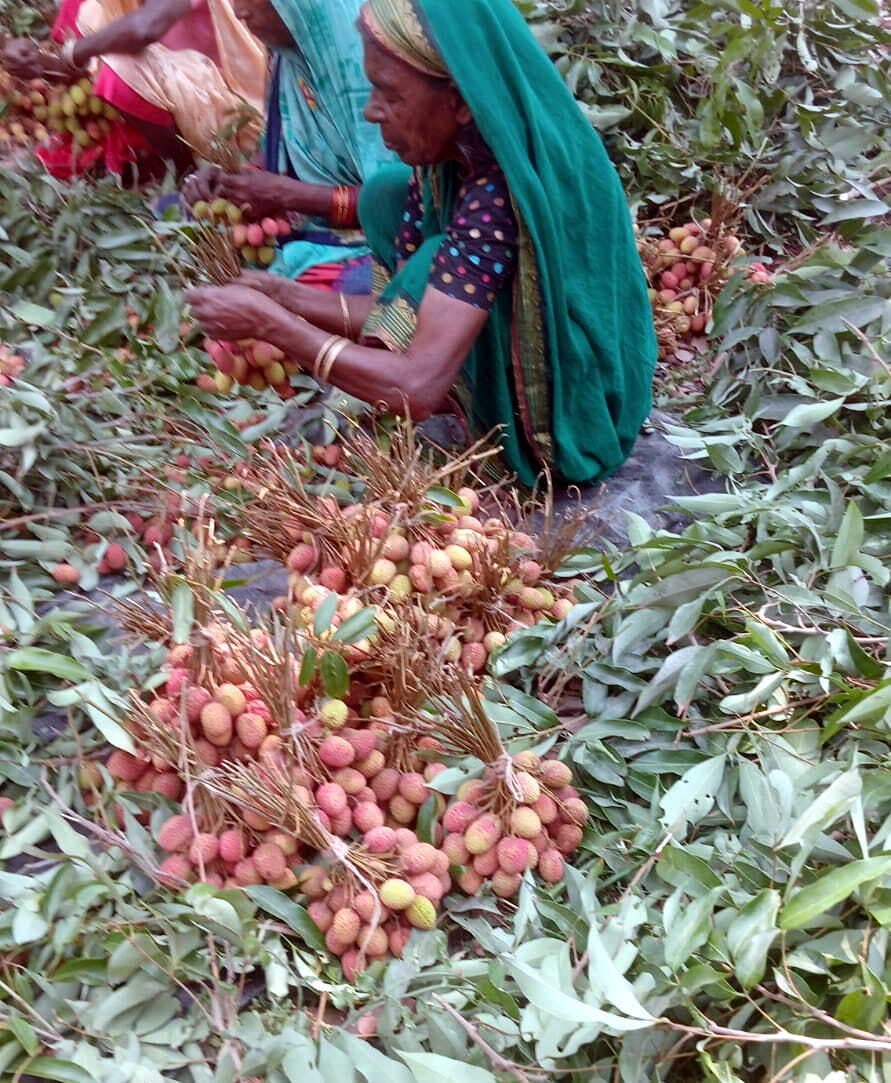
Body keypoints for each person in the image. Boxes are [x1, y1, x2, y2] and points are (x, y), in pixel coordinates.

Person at [187, 0, 657, 486]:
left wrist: (274, 325)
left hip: (570, 417)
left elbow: (416, 387)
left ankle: (502, 415)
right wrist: (285, 296)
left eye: (389, 94)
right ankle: (457, 372)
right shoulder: (447, 162)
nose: (371, 112)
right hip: (479, 317)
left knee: (433, 259)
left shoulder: (500, 194)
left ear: (457, 100)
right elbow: (394, 309)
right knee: (383, 197)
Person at [181, 0, 398, 294]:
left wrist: (286, 195)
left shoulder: (362, 54)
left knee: (345, 291)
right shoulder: (285, 57)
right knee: (174, 216)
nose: (239, 12)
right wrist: (234, 184)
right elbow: (275, 149)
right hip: (304, 229)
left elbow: (404, 204)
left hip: (379, 242)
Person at [1, 0, 267, 170]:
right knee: (85, 14)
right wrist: (38, 62)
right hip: (178, 98)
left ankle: (186, 174)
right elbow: (86, 66)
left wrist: (70, 54)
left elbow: (144, 29)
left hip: (238, 111)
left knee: (120, 66)